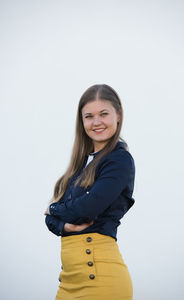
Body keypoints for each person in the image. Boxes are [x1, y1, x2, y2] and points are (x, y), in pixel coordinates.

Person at [44, 84, 136, 300]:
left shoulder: (119, 160)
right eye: (89, 116)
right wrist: (62, 223)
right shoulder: (79, 167)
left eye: (104, 114)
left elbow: (89, 208)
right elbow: (51, 221)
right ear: (82, 121)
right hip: (69, 280)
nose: (96, 122)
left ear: (119, 115)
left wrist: (53, 209)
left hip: (100, 277)